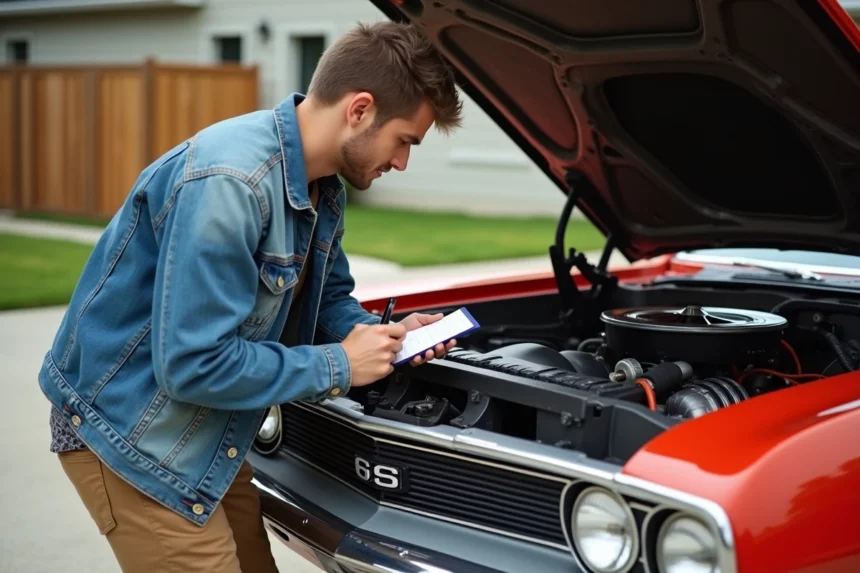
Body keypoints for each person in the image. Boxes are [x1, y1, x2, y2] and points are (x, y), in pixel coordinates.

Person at [38, 20, 463, 573]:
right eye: (404, 140)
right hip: (131, 436)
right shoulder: (232, 183)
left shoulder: (320, 187)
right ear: (359, 110)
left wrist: (384, 337)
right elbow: (192, 364)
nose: (402, 162)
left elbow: (327, 301)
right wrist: (340, 364)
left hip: (211, 429)